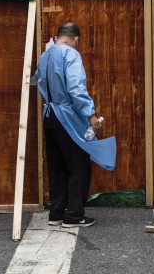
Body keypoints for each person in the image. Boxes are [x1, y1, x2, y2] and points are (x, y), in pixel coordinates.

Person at [35, 22, 116, 228]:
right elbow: (75, 87)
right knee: (78, 165)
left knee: (58, 166)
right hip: (68, 116)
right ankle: (74, 216)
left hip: (49, 114)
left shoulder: (45, 55)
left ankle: (57, 212)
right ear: (76, 39)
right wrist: (90, 115)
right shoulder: (70, 54)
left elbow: (37, 80)